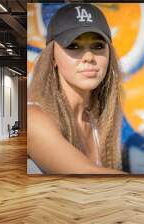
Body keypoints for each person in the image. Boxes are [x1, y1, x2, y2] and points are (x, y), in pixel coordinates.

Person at [27, 3, 125, 174]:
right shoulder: (33, 118)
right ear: (53, 59)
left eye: (98, 46)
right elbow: (87, 176)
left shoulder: (97, 121)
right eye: (73, 46)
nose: (89, 57)